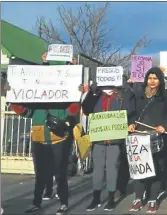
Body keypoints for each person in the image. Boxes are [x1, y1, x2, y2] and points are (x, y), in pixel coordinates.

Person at [9, 53, 81, 215]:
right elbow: (25, 112)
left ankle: (63, 203)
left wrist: (77, 96)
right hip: (39, 138)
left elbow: (72, 110)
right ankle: (36, 202)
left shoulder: (64, 94)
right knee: (40, 175)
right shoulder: (34, 95)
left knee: (60, 174)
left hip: (59, 138)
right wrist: (13, 99)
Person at [82, 76, 135, 212]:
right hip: (99, 138)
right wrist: (92, 93)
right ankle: (96, 197)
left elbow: (130, 111)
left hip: (115, 139)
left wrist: (126, 89)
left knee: (112, 168)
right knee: (98, 169)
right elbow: (87, 109)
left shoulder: (122, 95)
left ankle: (111, 198)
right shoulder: (96, 94)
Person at [127, 67, 167, 213]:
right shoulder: (139, 93)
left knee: (155, 168)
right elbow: (132, 111)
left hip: (156, 136)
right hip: (139, 135)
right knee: (139, 168)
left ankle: (153, 199)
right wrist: (131, 123)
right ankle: (138, 197)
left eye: (155, 78)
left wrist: (164, 125)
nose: (152, 81)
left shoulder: (165, 94)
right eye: (150, 78)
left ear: (160, 80)